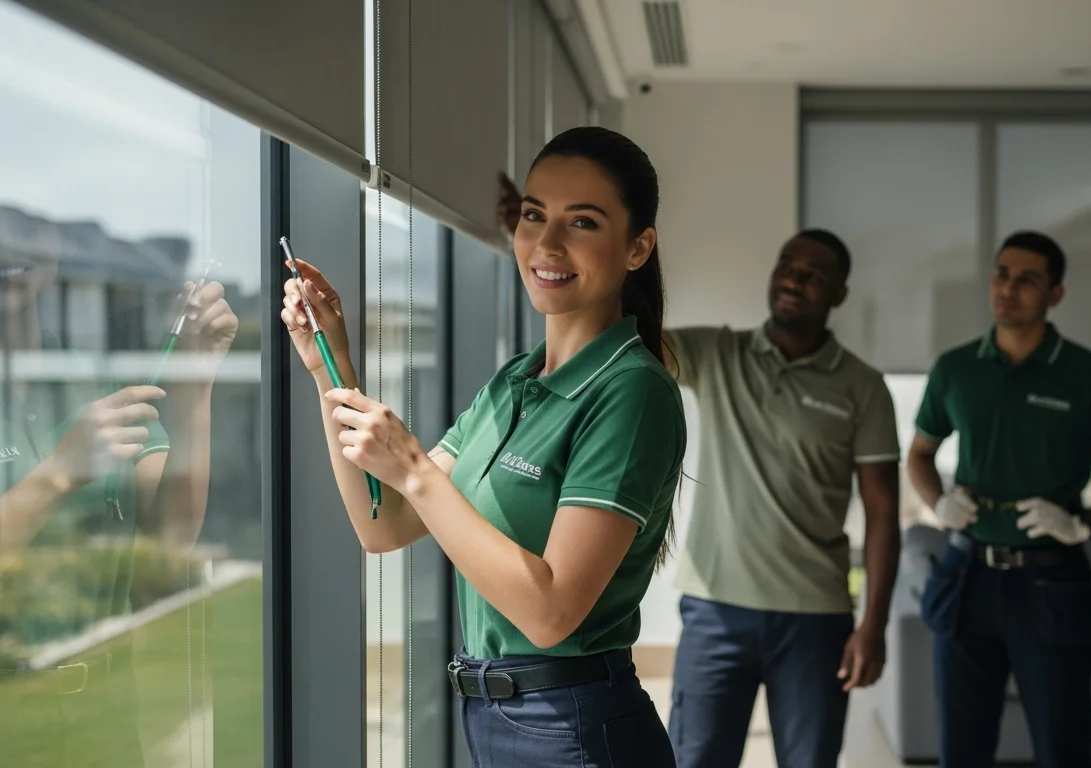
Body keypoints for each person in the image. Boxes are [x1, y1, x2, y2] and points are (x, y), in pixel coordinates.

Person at [285, 126, 683, 766]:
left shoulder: (631, 392)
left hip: (572, 728)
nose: (546, 244)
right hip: (498, 718)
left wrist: (416, 470)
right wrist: (330, 365)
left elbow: (551, 613)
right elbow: (382, 525)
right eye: (533, 215)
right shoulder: (516, 381)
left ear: (638, 248)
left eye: (581, 222)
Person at [501, 184, 900, 766]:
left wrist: (874, 625)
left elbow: (884, 512)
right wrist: (545, 245)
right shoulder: (722, 353)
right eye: (787, 266)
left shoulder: (862, 386)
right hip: (715, 612)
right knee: (696, 759)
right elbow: (624, 334)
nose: (793, 279)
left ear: (838, 292)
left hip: (815, 618)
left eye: (812, 274)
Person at [907, 231, 1091, 768]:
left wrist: (1088, 522)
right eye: (1002, 275)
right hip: (967, 576)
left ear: (1055, 294)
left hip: (1051, 582)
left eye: (1027, 280)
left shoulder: (1089, 373)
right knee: (961, 748)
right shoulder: (956, 368)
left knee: (1062, 746)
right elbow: (919, 455)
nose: (1009, 289)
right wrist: (937, 503)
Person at [0, 241, 235, 766]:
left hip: (106, 704)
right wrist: (60, 472)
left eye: (29, 233)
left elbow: (172, 536)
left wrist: (195, 382)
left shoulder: (86, 376)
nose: (10, 247)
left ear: (54, 255)